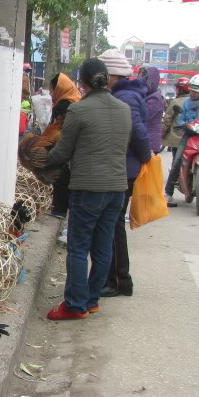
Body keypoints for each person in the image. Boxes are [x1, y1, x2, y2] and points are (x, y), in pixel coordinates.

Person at [28, 58, 133, 320]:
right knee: (103, 246)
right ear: (106, 79)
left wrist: (38, 158)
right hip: (117, 189)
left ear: (82, 82)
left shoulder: (79, 110)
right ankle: (91, 299)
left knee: (78, 247)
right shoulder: (124, 109)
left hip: (88, 188)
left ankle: (75, 305)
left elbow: (62, 152)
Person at [97, 49, 151, 299]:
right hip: (123, 166)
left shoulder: (126, 96)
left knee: (114, 225)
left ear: (111, 76)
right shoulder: (125, 93)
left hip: (123, 168)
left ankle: (119, 280)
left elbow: (137, 131)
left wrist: (145, 157)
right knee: (112, 224)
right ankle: (115, 278)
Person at [164, 74, 199, 206]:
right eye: (192, 91)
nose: (193, 93)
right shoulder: (186, 103)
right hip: (189, 135)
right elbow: (181, 119)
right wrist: (186, 124)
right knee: (177, 161)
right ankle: (168, 192)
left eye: (196, 91)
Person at [47, 73, 82, 218]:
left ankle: (59, 210)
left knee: (60, 178)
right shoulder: (78, 101)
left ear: (59, 89)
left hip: (63, 148)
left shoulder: (63, 106)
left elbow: (56, 131)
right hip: (77, 150)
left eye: (51, 90)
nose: (50, 93)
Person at [162, 77, 190, 158]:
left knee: (176, 162)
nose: (176, 90)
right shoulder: (197, 101)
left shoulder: (176, 102)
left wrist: (161, 133)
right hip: (192, 139)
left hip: (177, 138)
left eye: (177, 88)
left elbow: (167, 120)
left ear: (181, 89)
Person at [141, 66, 165, 153]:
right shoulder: (146, 96)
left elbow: (143, 116)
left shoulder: (155, 99)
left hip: (150, 142)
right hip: (146, 140)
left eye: (144, 79)